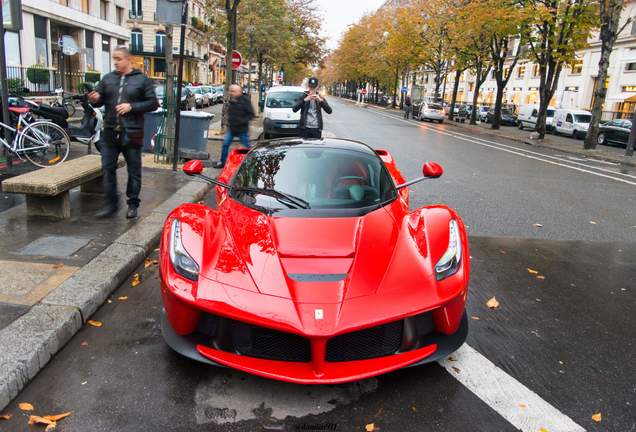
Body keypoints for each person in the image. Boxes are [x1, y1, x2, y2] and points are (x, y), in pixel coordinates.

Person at [88, 46, 158, 219]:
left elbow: (153, 103)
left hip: (132, 132)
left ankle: (132, 203)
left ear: (128, 60)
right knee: (107, 168)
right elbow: (99, 99)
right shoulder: (108, 78)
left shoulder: (142, 80)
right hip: (110, 132)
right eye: (114, 59)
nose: (116, 62)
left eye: (119, 59)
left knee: (134, 170)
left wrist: (131, 106)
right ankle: (111, 204)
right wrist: (95, 99)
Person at [214, 84, 254, 168]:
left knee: (247, 146)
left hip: (242, 129)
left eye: (233, 91)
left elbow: (251, 114)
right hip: (232, 129)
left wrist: (241, 121)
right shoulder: (232, 100)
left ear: (239, 91)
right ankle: (223, 162)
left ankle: (253, 161)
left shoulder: (245, 100)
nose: (231, 93)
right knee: (225, 144)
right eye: (230, 91)